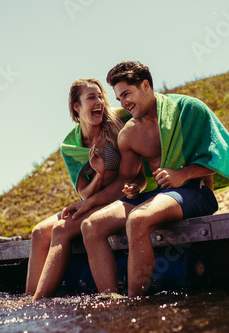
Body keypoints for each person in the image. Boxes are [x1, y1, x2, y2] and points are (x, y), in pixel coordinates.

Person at [63, 61, 229, 297]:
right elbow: (129, 180)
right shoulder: (129, 133)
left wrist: (182, 174)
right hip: (158, 196)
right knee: (91, 225)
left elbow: (221, 158)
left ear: (145, 85)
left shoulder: (188, 109)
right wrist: (101, 199)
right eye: (119, 98)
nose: (122, 104)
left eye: (126, 94)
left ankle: (136, 305)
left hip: (195, 191)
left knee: (137, 220)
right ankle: (112, 300)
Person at [25, 77, 145, 300]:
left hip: (121, 196)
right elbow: (84, 193)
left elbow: (137, 171)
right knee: (39, 232)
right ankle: (28, 300)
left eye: (100, 96)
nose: (99, 101)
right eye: (91, 97)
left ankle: (37, 302)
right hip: (97, 198)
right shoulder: (71, 145)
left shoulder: (119, 122)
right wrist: (98, 174)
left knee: (61, 229)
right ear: (77, 107)